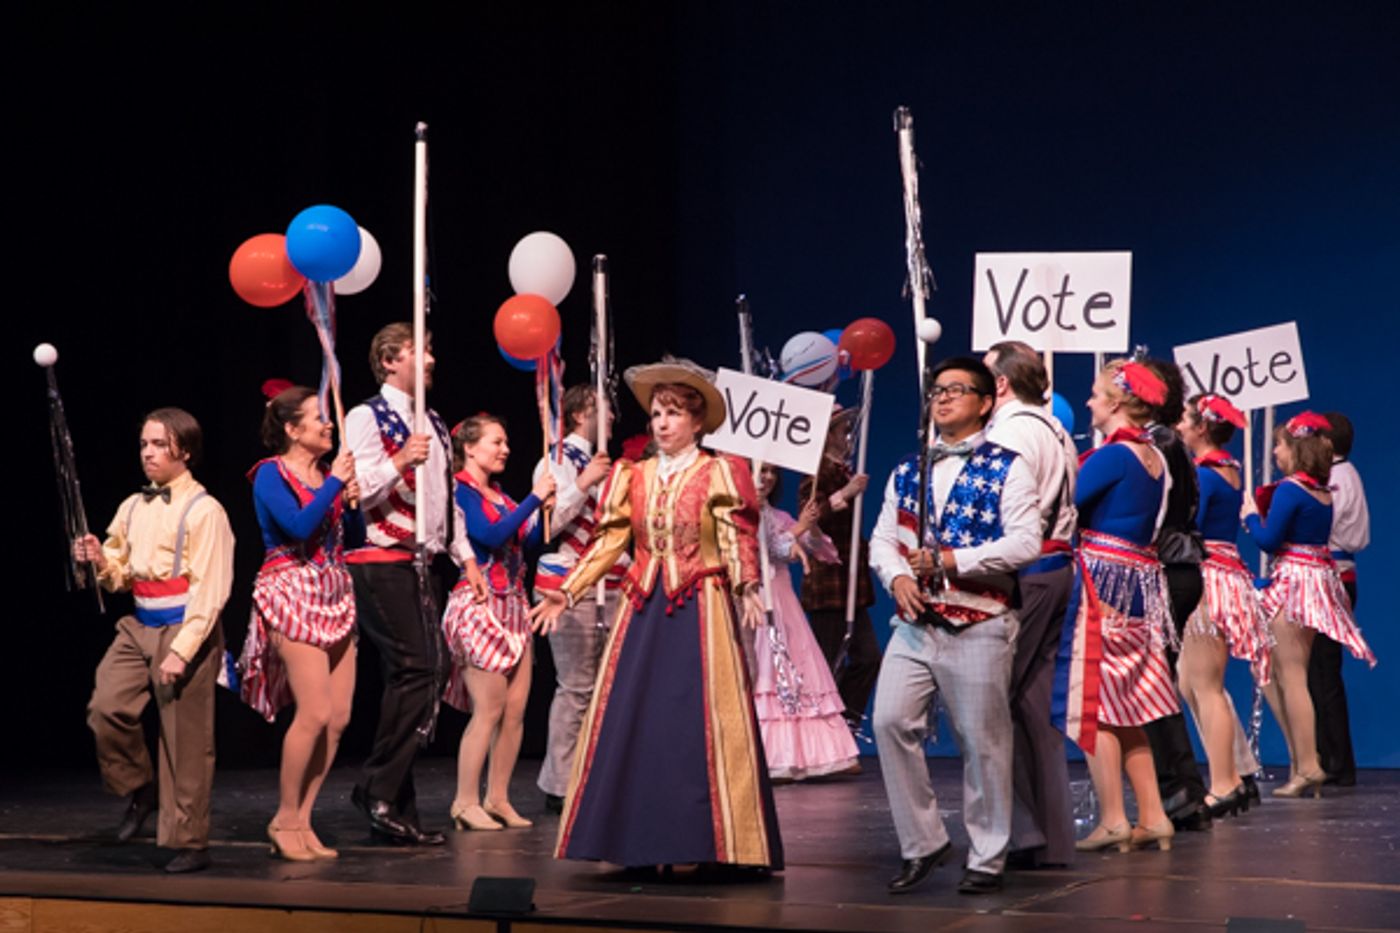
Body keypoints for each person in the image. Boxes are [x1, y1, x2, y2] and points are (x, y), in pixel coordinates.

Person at [530, 358, 783, 873]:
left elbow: (736, 533)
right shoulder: (633, 475)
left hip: (701, 606)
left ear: (696, 421)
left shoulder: (719, 471)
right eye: (657, 413)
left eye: (673, 413)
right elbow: (610, 541)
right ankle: (637, 841)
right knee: (636, 719)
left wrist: (748, 584)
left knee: (701, 720)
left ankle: (718, 845)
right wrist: (570, 590)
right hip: (644, 609)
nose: (662, 423)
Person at [870, 357, 1041, 896]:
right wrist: (897, 576)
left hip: (982, 619)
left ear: (986, 402)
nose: (942, 399)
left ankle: (988, 855)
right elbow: (881, 538)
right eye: (937, 391)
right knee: (889, 721)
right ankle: (923, 841)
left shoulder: (1008, 466)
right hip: (916, 620)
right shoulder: (909, 468)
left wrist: (949, 561)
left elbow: (1025, 543)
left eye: (957, 390)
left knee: (983, 742)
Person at [74, 408, 235, 873]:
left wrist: (183, 652)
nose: (148, 453)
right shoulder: (132, 506)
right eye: (144, 444)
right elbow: (119, 577)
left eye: (159, 445)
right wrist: (98, 558)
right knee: (107, 707)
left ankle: (190, 841)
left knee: (185, 740)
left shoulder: (205, 511)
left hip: (185, 626)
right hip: (140, 623)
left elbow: (211, 590)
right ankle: (141, 789)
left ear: (183, 450)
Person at [343, 323, 485, 845]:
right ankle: (377, 786)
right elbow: (357, 488)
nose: (428, 358)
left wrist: (465, 557)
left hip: (422, 561)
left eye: (428, 348)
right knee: (420, 667)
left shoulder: (436, 423)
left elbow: (445, 501)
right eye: (416, 350)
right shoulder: (366, 416)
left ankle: (394, 807)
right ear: (388, 361)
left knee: (422, 672)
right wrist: (402, 459)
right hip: (379, 557)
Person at [1056, 360, 1178, 855]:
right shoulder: (1154, 456)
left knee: (1098, 705)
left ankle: (1112, 818)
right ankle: (1153, 815)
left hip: (1103, 580)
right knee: (1128, 708)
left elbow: (1064, 506)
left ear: (1116, 402)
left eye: (1094, 394)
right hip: (1138, 582)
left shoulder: (1110, 457)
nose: (1088, 402)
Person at [238, 384, 363, 860]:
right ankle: (284, 817)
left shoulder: (328, 474)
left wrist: (349, 501)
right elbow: (297, 526)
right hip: (291, 591)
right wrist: (335, 486)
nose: (328, 424)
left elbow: (348, 536)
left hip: (334, 591)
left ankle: (304, 818)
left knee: (338, 718)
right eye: (318, 418)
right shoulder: (270, 474)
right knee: (312, 713)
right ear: (292, 429)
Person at [1242, 412, 1375, 799]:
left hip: (1298, 583)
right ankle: (1308, 760)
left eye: (1280, 444)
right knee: (1291, 673)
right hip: (1316, 578)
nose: (1274, 451)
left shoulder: (1293, 489)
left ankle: (1310, 764)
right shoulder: (1321, 491)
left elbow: (1269, 540)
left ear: (1295, 448)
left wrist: (1250, 516)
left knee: (1295, 675)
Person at [983, 341, 1078, 868]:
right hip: (1058, 568)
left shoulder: (1009, 430)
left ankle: (1012, 833)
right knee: (1033, 708)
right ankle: (1048, 838)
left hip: (1028, 572)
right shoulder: (1057, 428)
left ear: (999, 384)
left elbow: (1006, 508)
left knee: (989, 700)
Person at [442, 413, 553, 831]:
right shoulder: (463, 492)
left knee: (515, 711)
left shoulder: (503, 496)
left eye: (506, 442)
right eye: (496, 442)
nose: (505, 449)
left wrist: (542, 514)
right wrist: (533, 498)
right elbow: (488, 536)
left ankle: (498, 797)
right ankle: (464, 801)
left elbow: (526, 542)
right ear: (470, 448)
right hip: (479, 604)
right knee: (487, 710)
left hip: (514, 607)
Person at [1175, 394, 1272, 818]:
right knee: (1190, 682)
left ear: (1201, 428)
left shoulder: (1205, 474)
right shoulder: (1227, 469)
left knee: (1205, 684)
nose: (1178, 425)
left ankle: (1225, 782)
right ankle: (1238, 770)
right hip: (1224, 570)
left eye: (1183, 419)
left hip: (1208, 576)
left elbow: (1188, 523)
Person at [533, 385, 628, 814]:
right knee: (576, 686)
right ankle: (560, 783)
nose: (609, 416)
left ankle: (599, 774)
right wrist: (585, 482)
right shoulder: (557, 459)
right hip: (569, 579)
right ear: (576, 415)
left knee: (610, 688)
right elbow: (548, 523)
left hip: (615, 581)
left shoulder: (610, 464)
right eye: (600, 409)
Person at [749, 463, 859, 781]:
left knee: (794, 673)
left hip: (783, 604)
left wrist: (809, 526)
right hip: (753, 601)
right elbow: (764, 550)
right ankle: (764, 755)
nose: (767, 477)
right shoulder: (739, 512)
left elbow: (821, 551)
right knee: (762, 674)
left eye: (771, 471)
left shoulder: (780, 517)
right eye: (761, 470)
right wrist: (795, 534)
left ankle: (809, 755)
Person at [1139, 358, 1212, 832]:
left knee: (1151, 683)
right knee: (1156, 682)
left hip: (1168, 566)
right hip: (1178, 564)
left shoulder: (1159, 443)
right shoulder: (1170, 441)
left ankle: (1179, 793)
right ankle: (1182, 793)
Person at [798, 410, 878, 733]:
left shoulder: (841, 470)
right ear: (828, 434)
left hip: (850, 586)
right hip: (829, 584)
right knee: (827, 665)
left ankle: (842, 729)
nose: (848, 436)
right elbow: (810, 517)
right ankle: (821, 735)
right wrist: (846, 494)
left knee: (868, 657)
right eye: (843, 430)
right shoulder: (816, 472)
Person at [1311, 411, 1369, 786]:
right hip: (1336, 575)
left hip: (1332, 575)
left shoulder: (1335, 479)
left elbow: (1323, 525)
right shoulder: (1341, 476)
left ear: (1327, 443)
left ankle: (1335, 762)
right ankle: (1329, 757)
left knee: (1323, 672)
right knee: (1320, 671)